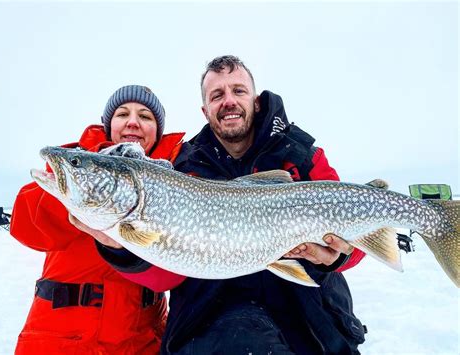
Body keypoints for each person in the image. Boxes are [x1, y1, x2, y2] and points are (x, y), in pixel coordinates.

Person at [95, 56, 367, 354]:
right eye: (217, 95)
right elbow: (167, 273)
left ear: (256, 101)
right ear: (205, 109)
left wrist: (338, 257)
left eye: (238, 91)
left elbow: (361, 237)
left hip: (312, 324)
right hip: (210, 326)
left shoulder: (304, 157)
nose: (228, 101)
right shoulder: (182, 169)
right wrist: (119, 248)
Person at [9, 85, 186, 354]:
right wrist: (94, 185)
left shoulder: (176, 177)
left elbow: (176, 269)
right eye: (122, 114)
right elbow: (25, 225)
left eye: (146, 117)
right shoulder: (78, 165)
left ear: (158, 131)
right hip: (60, 340)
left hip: (140, 342)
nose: (133, 122)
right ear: (108, 124)